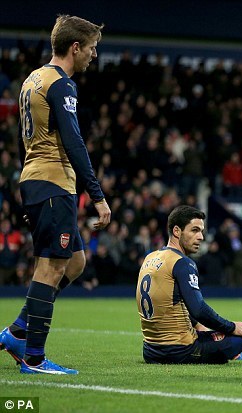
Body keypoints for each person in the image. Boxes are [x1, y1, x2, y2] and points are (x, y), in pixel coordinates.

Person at [0, 15, 111, 375]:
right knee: (50, 267)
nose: (93, 56)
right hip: (52, 182)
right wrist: (96, 194)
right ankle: (33, 357)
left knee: (75, 262)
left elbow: (23, 139)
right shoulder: (62, 85)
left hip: (36, 179)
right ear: (75, 47)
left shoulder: (33, 79)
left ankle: (18, 331)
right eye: (91, 49)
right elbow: (74, 142)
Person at [135, 205, 242, 364]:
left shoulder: (151, 258)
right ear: (176, 231)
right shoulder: (182, 263)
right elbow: (199, 309)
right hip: (180, 350)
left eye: (201, 231)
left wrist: (200, 327)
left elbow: (168, 303)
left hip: (151, 350)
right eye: (194, 230)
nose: (201, 237)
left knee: (203, 327)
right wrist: (231, 327)